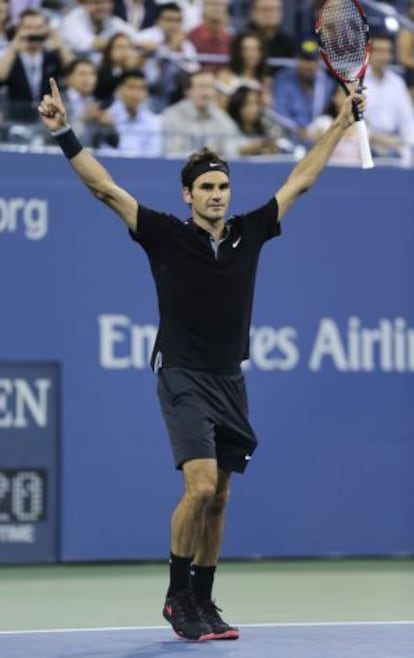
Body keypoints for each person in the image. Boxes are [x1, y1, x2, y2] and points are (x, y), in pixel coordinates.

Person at [37, 75, 366, 642]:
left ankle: (204, 602)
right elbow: (106, 189)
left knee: (221, 500)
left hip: (229, 379)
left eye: (223, 186)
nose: (217, 194)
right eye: (206, 187)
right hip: (182, 374)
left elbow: (302, 180)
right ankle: (175, 598)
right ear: (187, 196)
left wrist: (341, 121)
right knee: (202, 488)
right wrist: (64, 130)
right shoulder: (164, 235)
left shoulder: (251, 232)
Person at [0, 8, 72, 123]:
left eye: (38, 28)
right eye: (28, 28)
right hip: (15, 120)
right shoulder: (9, 56)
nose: (33, 32)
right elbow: (1, 77)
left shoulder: (53, 56)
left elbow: (73, 72)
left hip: (48, 119)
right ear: (19, 29)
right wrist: (14, 46)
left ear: (46, 29)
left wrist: (60, 45)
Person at [162, 68, 239, 157]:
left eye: (210, 87)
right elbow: (172, 154)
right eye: (201, 87)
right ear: (187, 91)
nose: (206, 93)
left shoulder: (222, 118)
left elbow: (231, 155)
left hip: (214, 169)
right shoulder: (171, 115)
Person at [364, 34, 414, 162]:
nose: (384, 56)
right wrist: (373, 138)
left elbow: (408, 120)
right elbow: (354, 120)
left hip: (394, 143)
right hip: (366, 142)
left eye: (388, 52)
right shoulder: (358, 81)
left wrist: (408, 144)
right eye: (380, 51)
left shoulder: (397, 83)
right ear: (369, 53)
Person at [271, 37, 335, 137]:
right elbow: (279, 113)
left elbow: (330, 113)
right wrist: (298, 131)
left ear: (319, 61)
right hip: (289, 135)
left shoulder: (326, 83)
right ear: (296, 59)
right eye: (305, 59)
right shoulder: (283, 80)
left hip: (318, 136)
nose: (308, 65)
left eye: (312, 60)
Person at [187, 0, 232, 74]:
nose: (216, 8)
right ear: (202, 7)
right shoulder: (191, 37)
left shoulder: (231, 38)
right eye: (212, 4)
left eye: (220, 4)